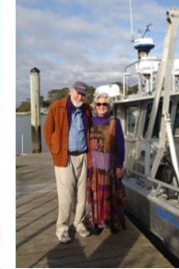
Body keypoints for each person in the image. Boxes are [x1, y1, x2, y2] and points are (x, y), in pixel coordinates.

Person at [44, 81, 92, 243]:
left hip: (84, 156)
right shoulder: (56, 107)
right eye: (78, 92)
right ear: (71, 91)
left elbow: (89, 130)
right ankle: (62, 228)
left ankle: (79, 223)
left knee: (82, 195)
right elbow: (47, 131)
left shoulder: (87, 109)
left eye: (83, 94)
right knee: (66, 197)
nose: (80, 96)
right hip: (65, 157)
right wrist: (55, 151)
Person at [86, 92, 126, 235]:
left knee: (113, 194)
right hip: (95, 165)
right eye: (99, 104)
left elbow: (121, 146)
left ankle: (113, 223)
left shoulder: (115, 122)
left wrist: (120, 165)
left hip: (110, 165)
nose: (102, 107)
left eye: (105, 104)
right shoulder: (90, 121)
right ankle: (96, 222)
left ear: (109, 106)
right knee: (95, 194)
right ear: (94, 106)